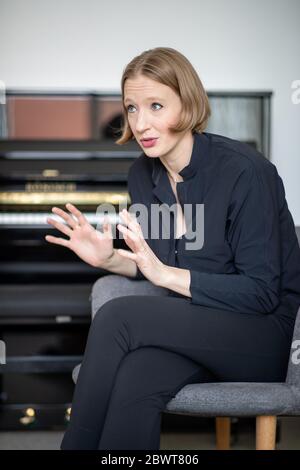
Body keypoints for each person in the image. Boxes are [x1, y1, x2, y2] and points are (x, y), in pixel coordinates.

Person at [45, 47, 300, 450]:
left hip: (260, 336)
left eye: (156, 105)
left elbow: (262, 292)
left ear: (189, 102)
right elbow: (160, 261)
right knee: (136, 376)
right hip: (196, 328)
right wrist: (109, 259)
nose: (141, 122)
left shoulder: (246, 172)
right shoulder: (143, 176)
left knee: (118, 316)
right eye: (131, 108)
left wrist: (162, 275)